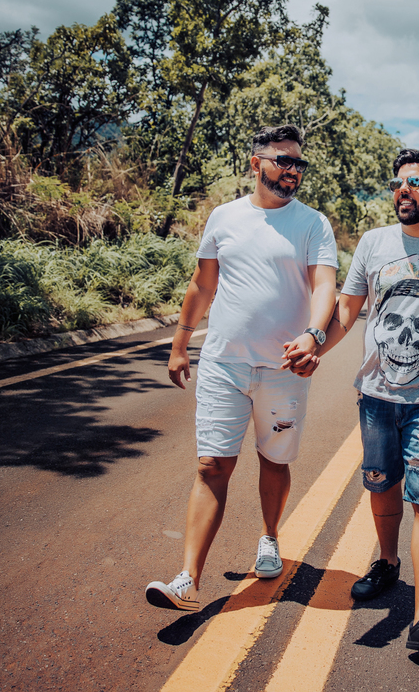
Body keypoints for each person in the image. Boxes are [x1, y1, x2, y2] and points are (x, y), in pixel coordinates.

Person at [286, 148, 419, 656]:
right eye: (397, 183)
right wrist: (315, 341)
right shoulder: (372, 243)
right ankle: (387, 563)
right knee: (381, 486)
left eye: (415, 182)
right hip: (377, 397)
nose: (402, 190)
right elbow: (347, 310)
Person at [145, 124, 339, 611]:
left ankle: (269, 536)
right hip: (223, 365)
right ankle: (188, 578)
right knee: (212, 465)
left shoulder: (313, 224)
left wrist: (313, 334)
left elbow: (323, 288)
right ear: (256, 163)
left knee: (275, 461)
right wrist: (180, 342)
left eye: (299, 163)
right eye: (283, 160)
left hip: (283, 369)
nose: (292, 170)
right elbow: (202, 284)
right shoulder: (224, 217)